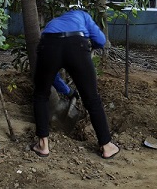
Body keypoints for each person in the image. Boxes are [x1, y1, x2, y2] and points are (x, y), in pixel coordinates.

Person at [31, 9, 120, 159]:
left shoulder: (51, 24)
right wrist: (93, 47)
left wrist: (67, 91)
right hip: (77, 45)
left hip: (49, 44)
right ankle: (106, 146)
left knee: (40, 94)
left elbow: (51, 76)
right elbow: (101, 40)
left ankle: (43, 145)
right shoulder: (82, 15)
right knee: (92, 98)